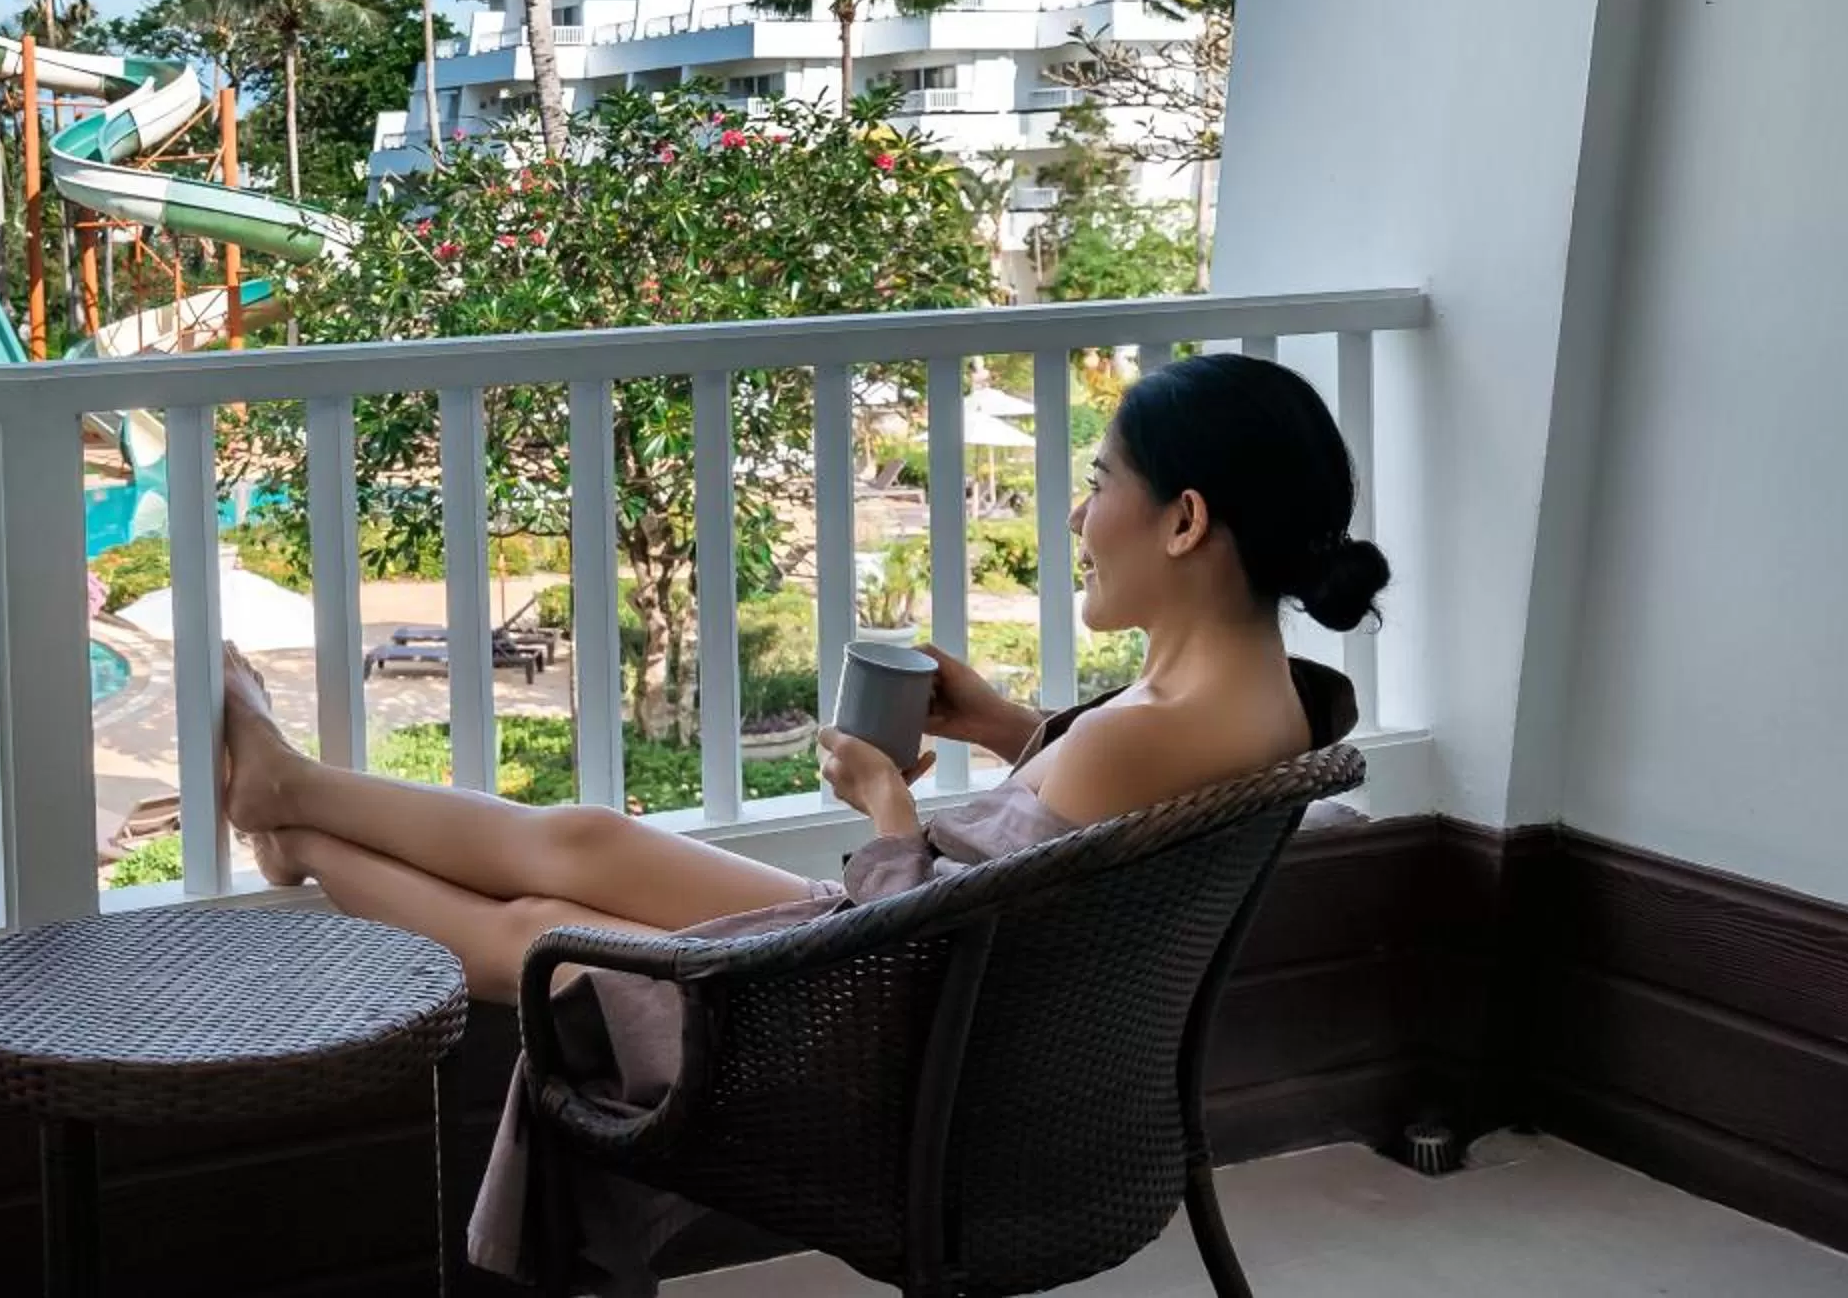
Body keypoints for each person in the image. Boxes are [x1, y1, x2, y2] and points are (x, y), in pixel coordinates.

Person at [215, 352, 1387, 1293]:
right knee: (592, 841)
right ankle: (297, 804)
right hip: (971, 1016)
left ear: (1183, 519)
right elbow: (1088, 832)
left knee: (554, 937)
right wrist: (1001, 726)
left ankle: (301, 829)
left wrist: (886, 798)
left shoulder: (1150, 729)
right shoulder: (1265, 702)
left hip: (897, 1040)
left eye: (1101, 479)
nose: (1082, 511)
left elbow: (929, 925)